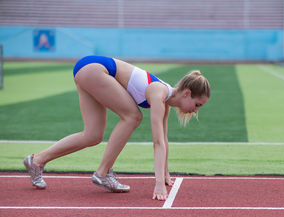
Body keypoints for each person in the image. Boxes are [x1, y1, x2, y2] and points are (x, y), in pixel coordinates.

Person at [23, 55, 210, 201]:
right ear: (187, 93)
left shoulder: (165, 101)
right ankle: (103, 173)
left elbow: (164, 140)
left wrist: (166, 174)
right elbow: (157, 142)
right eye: (197, 105)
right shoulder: (159, 93)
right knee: (133, 116)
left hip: (88, 69)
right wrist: (159, 183)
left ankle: (37, 160)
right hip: (96, 69)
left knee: (93, 135)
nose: (195, 111)